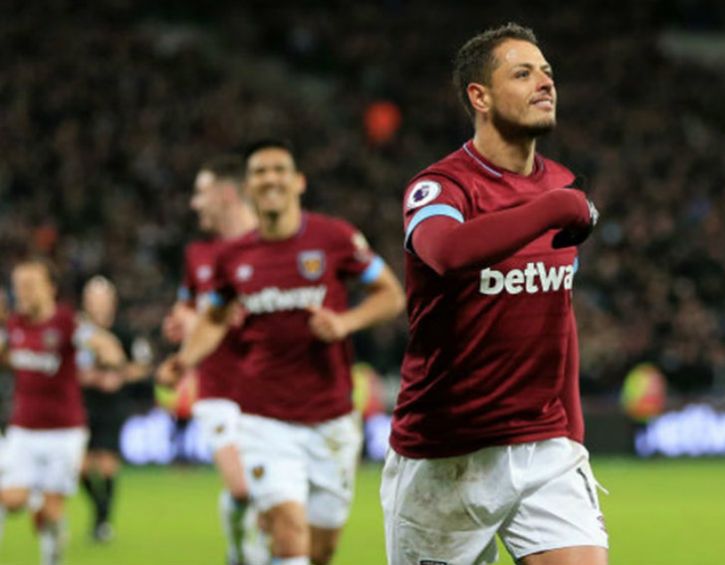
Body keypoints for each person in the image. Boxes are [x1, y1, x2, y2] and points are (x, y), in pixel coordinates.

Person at [381, 23, 606, 565]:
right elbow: (447, 252)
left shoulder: (559, 185)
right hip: (444, 458)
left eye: (547, 73)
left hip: (543, 446)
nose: (544, 83)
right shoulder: (441, 187)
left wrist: (572, 433)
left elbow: (560, 317)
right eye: (523, 73)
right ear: (478, 96)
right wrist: (555, 209)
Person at [158, 139, 405, 565]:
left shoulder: (334, 237)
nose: (270, 179)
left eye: (279, 170)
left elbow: (392, 295)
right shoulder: (232, 257)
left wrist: (345, 323)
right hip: (263, 418)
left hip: (331, 419)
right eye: (260, 172)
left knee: (320, 550)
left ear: (298, 182)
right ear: (248, 189)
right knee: (287, 534)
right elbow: (214, 318)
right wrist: (184, 360)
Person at [161, 154, 261, 565]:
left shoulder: (271, 245)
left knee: (270, 494)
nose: (194, 203)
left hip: (269, 390)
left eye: (200, 193)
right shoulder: (199, 255)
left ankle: (245, 548)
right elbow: (185, 307)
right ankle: (243, 553)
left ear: (225, 194)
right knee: (242, 488)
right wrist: (182, 321)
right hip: (218, 387)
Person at [0, 258, 125, 565]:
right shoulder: (14, 325)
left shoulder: (67, 323)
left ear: (50, 289)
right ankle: (35, 494)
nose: (24, 293)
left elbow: (104, 344)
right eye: (19, 287)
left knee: (52, 513)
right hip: (23, 430)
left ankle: (52, 558)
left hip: (64, 432)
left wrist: (108, 354)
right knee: (9, 500)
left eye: (30, 286)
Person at [78, 275, 153, 543]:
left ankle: (102, 523)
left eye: (102, 299)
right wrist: (86, 377)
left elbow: (143, 365)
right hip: (81, 403)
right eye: (93, 299)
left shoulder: (126, 332)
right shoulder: (78, 333)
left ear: (112, 302)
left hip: (112, 405)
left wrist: (119, 376)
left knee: (107, 465)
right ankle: (101, 515)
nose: (97, 305)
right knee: (81, 468)